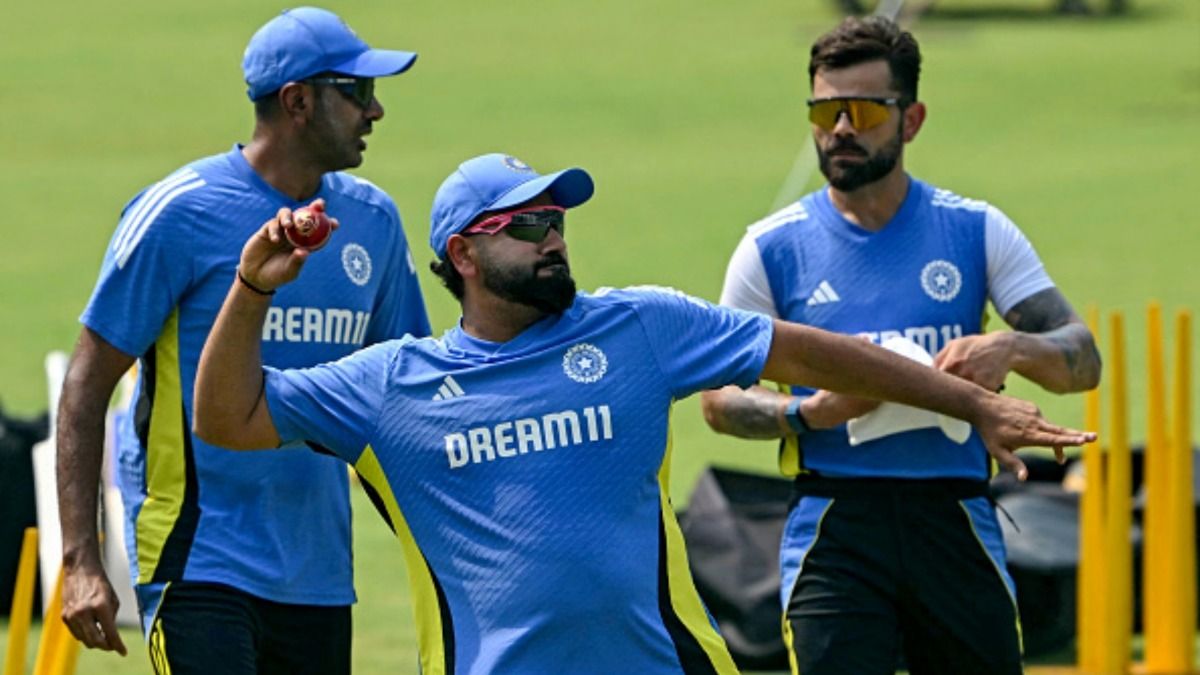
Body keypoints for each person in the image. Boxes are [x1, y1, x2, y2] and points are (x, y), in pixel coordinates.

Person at [191, 152, 1093, 674]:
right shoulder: (394, 384)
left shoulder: (640, 326)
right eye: (530, 225)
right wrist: (250, 286)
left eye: (559, 219)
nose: (556, 237)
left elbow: (810, 350)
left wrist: (974, 400)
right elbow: (228, 417)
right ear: (465, 253)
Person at [699, 16, 1102, 675]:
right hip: (834, 522)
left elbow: (1082, 359)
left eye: (862, 110)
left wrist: (1013, 348)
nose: (841, 130)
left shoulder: (975, 230)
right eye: (825, 111)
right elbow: (718, 398)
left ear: (910, 120)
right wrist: (807, 414)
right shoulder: (771, 249)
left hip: (954, 517)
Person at [55, 7, 431, 673]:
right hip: (199, 556)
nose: (376, 113)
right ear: (298, 102)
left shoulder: (373, 221)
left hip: (318, 572)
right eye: (360, 94)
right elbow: (87, 381)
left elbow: (405, 401)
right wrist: (82, 558)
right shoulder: (179, 212)